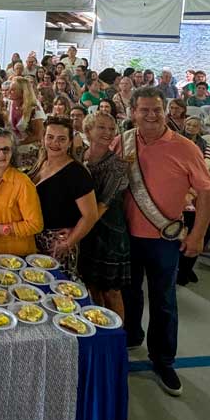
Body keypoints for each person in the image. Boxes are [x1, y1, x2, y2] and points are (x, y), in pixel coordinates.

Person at [122, 86, 210, 397]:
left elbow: (206, 193)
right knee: (130, 293)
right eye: (144, 109)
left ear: (166, 111)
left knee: (163, 302)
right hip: (126, 236)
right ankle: (131, 336)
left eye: (156, 110)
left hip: (164, 238)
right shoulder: (122, 141)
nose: (151, 115)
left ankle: (162, 360)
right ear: (133, 111)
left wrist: (198, 234)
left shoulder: (186, 148)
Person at [27, 116, 98, 278]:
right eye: (50, 137)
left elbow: (91, 215)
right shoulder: (41, 162)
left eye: (61, 139)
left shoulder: (77, 173)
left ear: (70, 142)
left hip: (55, 243)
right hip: (33, 239)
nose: (54, 143)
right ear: (43, 138)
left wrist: (68, 242)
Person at [78, 112, 130, 316]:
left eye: (111, 128)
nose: (107, 132)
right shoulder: (79, 155)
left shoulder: (118, 166)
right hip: (87, 230)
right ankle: (101, 331)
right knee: (91, 286)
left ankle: (118, 341)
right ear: (88, 130)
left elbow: (102, 205)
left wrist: (76, 233)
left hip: (109, 233)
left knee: (111, 291)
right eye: (101, 127)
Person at [0, 127, 44, 256]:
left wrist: (1, 230)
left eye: (6, 149)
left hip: (16, 258)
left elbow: (36, 224)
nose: (1, 154)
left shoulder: (23, 183)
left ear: (12, 152)